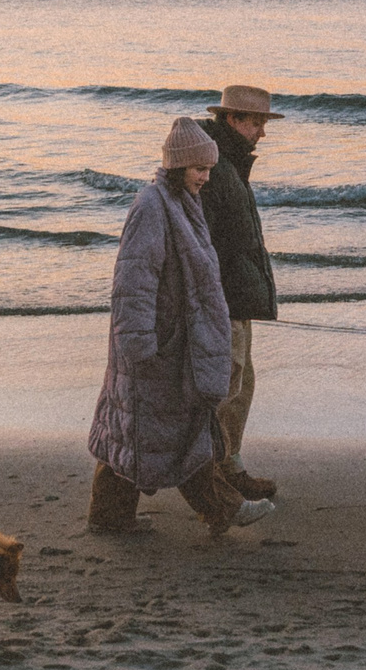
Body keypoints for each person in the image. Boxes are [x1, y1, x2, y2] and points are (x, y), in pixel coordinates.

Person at [85, 117, 276, 536]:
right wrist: (138, 342)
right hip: (154, 343)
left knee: (139, 428)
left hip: (170, 341)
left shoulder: (182, 202)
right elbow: (133, 279)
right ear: (177, 167)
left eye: (209, 170)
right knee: (164, 427)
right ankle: (223, 508)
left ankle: (110, 515)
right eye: (198, 170)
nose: (206, 178)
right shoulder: (151, 206)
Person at [197, 83, 283, 500]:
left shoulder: (227, 163)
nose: (261, 133)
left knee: (239, 383)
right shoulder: (214, 166)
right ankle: (220, 472)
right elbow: (207, 239)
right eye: (256, 123)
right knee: (228, 388)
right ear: (233, 120)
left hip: (233, 294)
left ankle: (228, 466)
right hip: (223, 296)